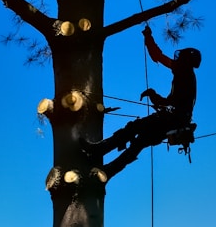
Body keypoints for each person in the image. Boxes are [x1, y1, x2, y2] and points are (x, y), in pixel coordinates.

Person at [83, 25, 201, 178]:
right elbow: (160, 58)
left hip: (172, 119)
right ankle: (108, 169)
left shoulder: (184, 74)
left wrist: (148, 38)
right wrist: (148, 38)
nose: (175, 61)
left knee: (135, 129)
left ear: (186, 61)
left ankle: (100, 151)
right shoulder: (184, 74)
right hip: (175, 120)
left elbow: (159, 59)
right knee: (141, 140)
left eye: (181, 58)